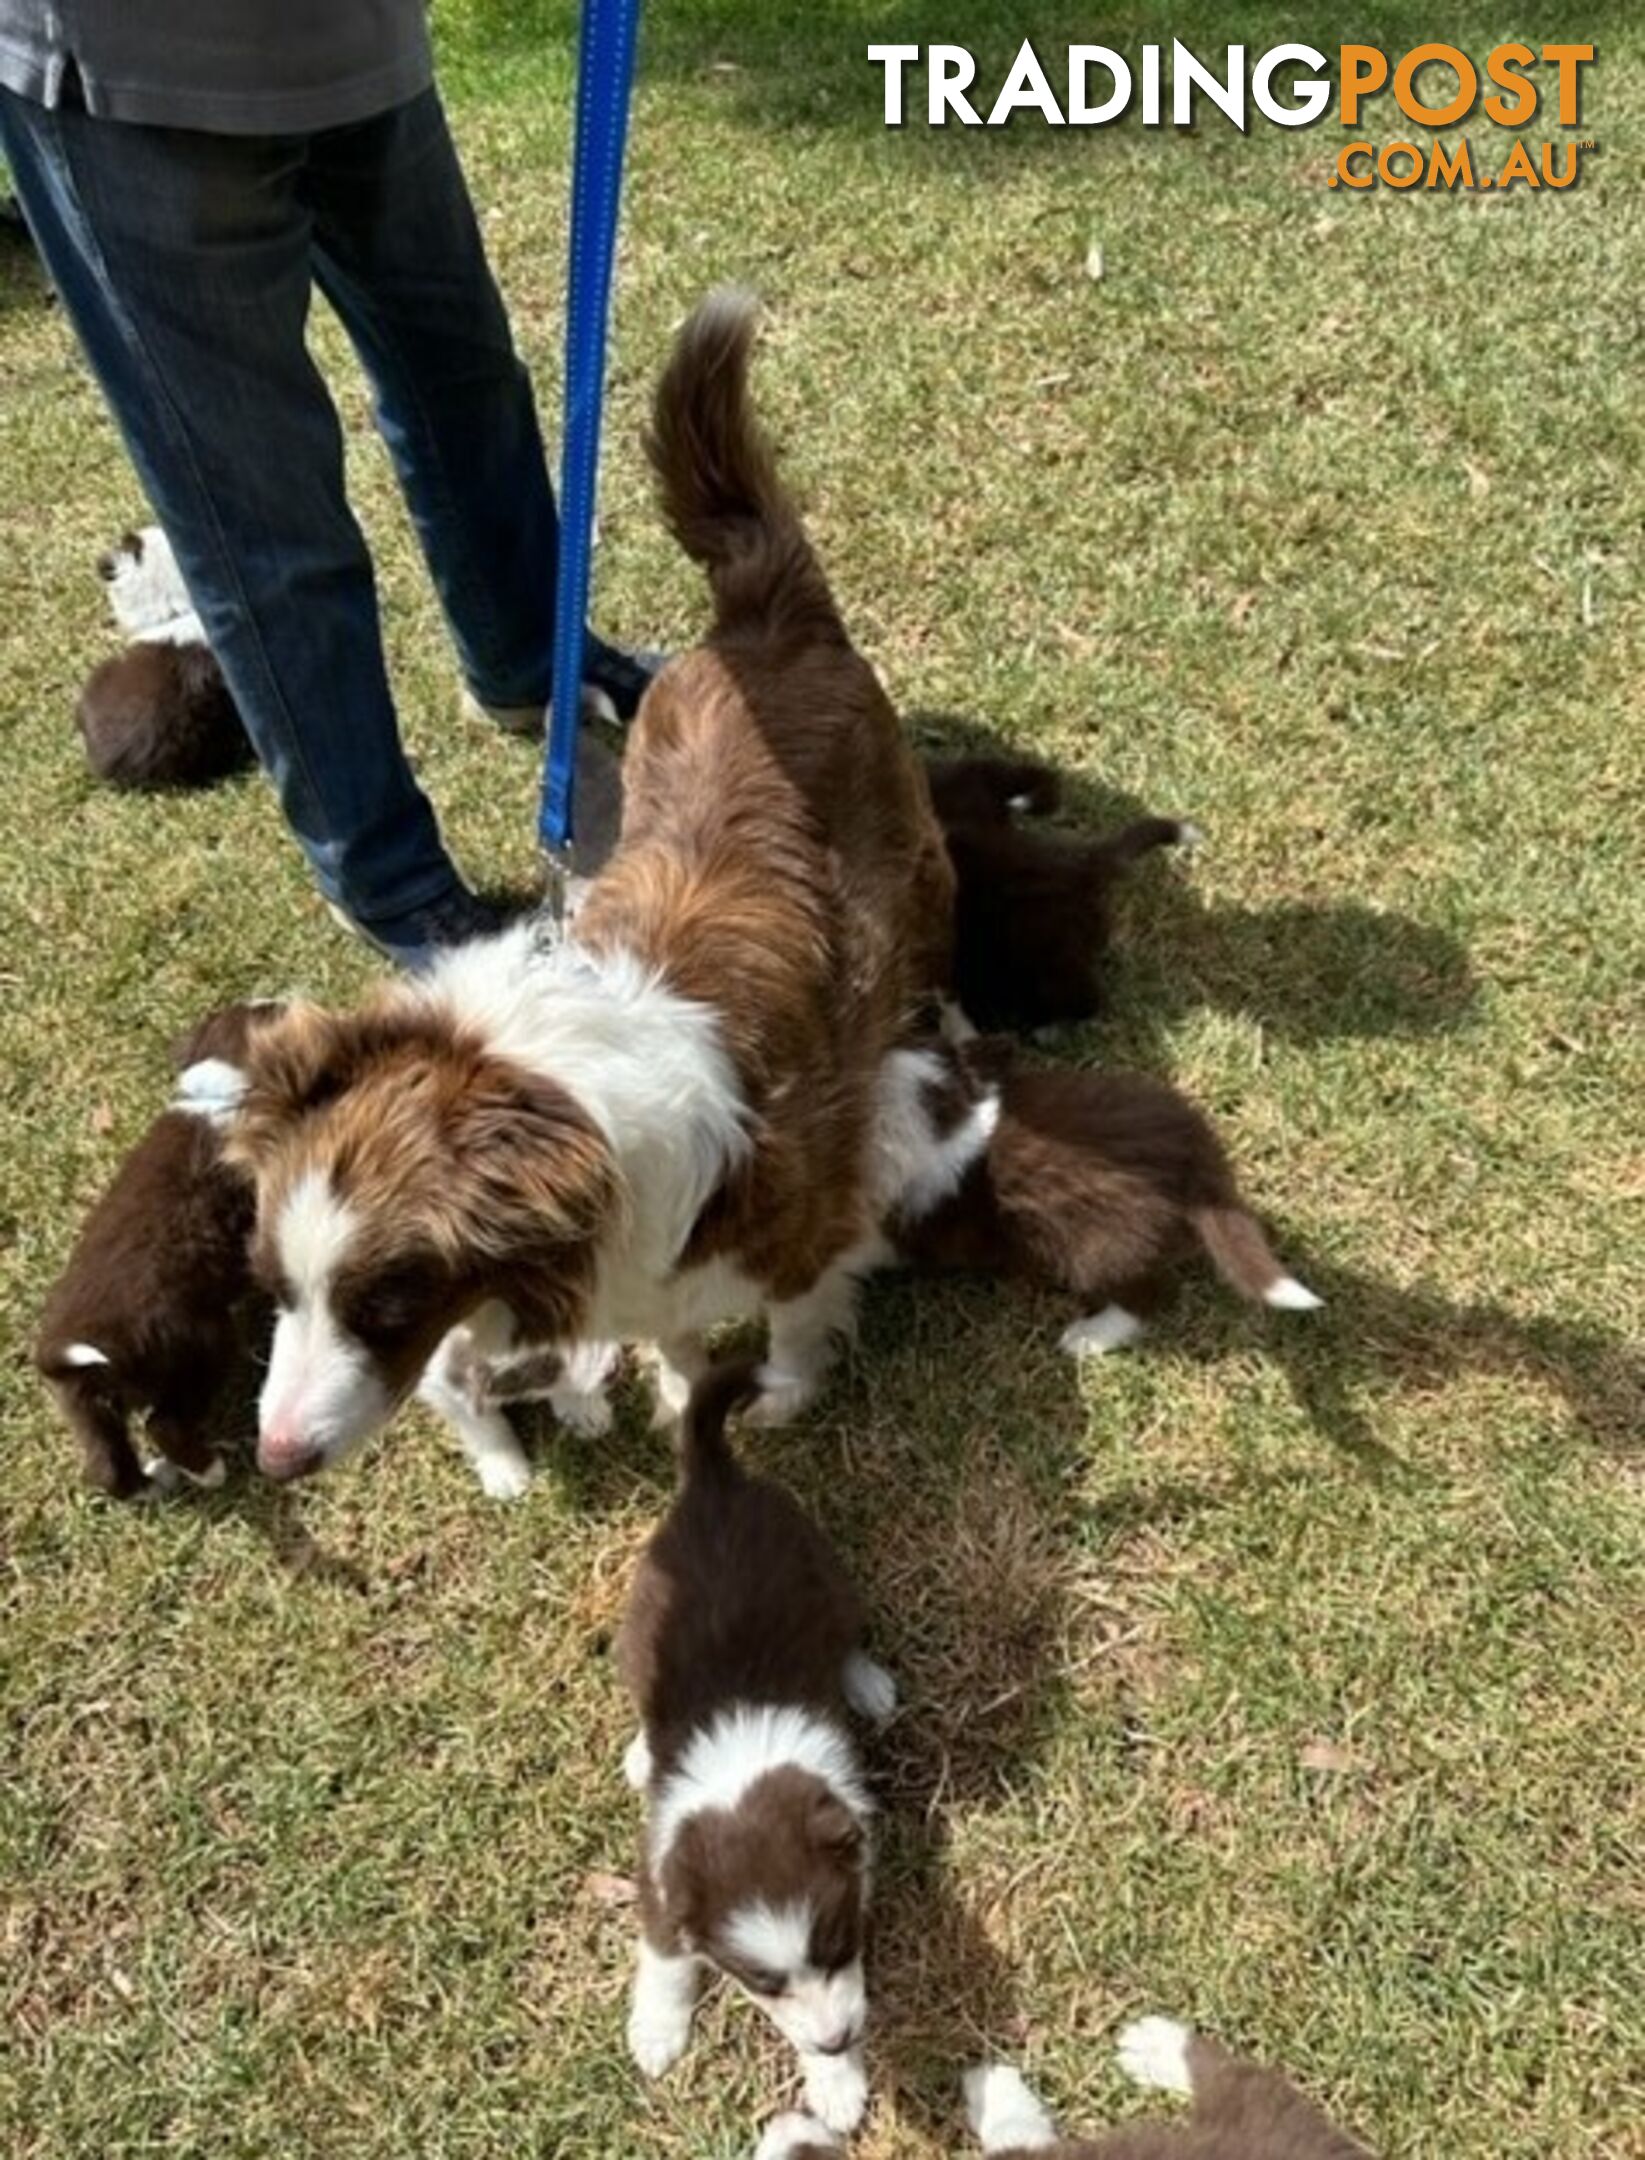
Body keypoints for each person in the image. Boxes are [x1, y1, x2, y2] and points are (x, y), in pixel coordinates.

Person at [0, 3, 652, 969]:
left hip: (354, 40)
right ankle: (389, 879)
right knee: (263, 513)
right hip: (142, 74)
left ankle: (527, 661)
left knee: (461, 377)